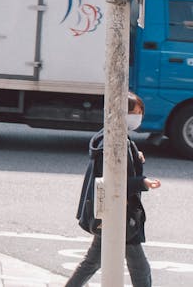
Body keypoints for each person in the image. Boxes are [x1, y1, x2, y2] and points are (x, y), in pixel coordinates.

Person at [65, 92, 159, 287]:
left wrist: (134, 154)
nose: (138, 116)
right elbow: (114, 181)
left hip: (109, 211)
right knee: (140, 268)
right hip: (117, 213)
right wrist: (143, 182)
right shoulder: (116, 143)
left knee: (92, 261)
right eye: (135, 112)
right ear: (121, 113)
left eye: (140, 112)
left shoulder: (109, 136)